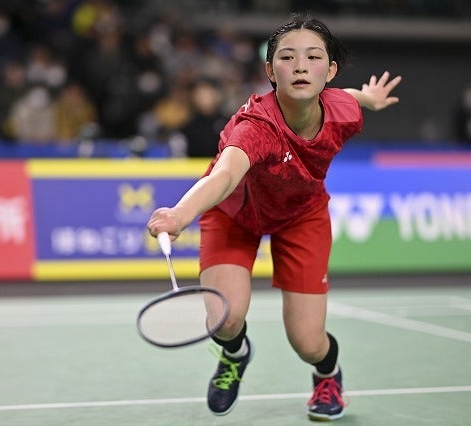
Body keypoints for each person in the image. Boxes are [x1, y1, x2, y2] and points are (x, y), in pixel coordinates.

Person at [146, 14, 401, 421]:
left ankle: (327, 375)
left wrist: (370, 97)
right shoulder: (255, 127)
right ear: (269, 70)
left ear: (329, 71)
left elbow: (351, 98)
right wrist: (180, 213)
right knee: (225, 319)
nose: (301, 66)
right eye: (287, 57)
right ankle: (235, 354)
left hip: (302, 215)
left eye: (313, 57)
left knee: (308, 342)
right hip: (235, 215)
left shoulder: (343, 111)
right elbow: (224, 175)